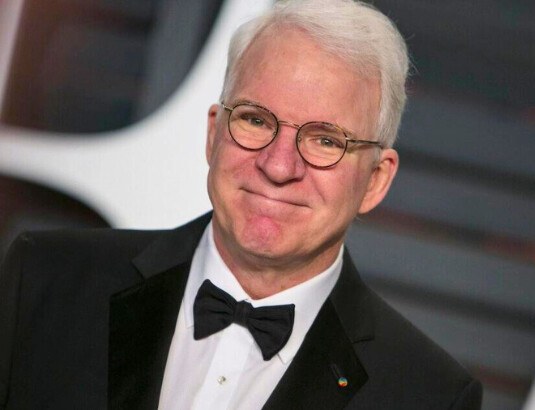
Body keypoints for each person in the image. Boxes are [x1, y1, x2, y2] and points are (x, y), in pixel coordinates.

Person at [0, 0, 482, 408]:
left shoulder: (430, 396)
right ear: (214, 134)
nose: (278, 166)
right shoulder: (44, 279)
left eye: (324, 140)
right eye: (254, 120)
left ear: (376, 181)